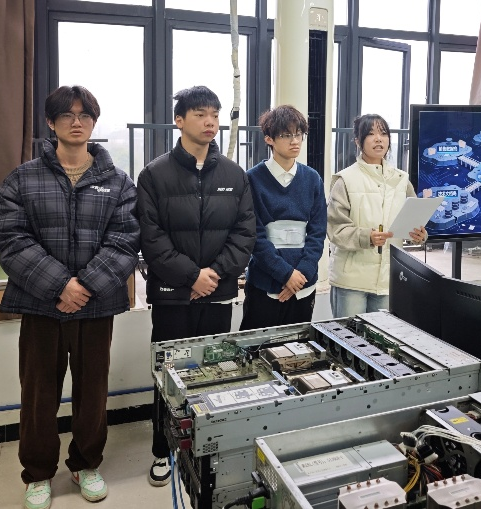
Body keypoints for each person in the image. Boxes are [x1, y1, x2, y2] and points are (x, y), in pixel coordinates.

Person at [0, 85, 140, 509]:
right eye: (67, 115)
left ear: (93, 122)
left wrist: (84, 286)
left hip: (96, 306)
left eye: (85, 115)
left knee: (93, 391)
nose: (77, 122)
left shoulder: (117, 182)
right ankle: (38, 473)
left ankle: (86, 464)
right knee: (39, 394)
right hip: (41, 305)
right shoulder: (23, 178)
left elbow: (125, 240)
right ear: (50, 122)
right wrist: (60, 285)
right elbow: (10, 239)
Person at [137, 85, 255, 487]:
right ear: (179, 120)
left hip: (218, 294)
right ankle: (163, 450)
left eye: (215, 115)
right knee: (168, 375)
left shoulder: (234, 175)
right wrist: (191, 276)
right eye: (201, 114)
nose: (210, 122)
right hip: (173, 297)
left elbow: (245, 234)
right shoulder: (154, 175)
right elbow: (151, 238)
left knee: (213, 372)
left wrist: (213, 275)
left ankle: (207, 447)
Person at [327, 113, 426, 318]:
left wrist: (419, 234)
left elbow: (414, 219)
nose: (379, 139)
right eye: (371, 134)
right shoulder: (345, 180)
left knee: (382, 336)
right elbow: (335, 229)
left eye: (383, 133)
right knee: (350, 335)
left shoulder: (401, 180)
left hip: (389, 279)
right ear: (358, 141)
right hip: (351, 280)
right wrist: (367, 237)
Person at [239, 105, 326, 330]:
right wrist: (285, 274)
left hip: (303, 284)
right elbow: (254, 236)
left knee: (298, 346)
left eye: (299, 134)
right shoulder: (252, 179)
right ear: (269, 139)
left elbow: (318, 232)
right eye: (286, 135)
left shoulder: (312, 179)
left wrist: (301, 274)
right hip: (264, 281)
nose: (295, 141)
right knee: (257, 344)